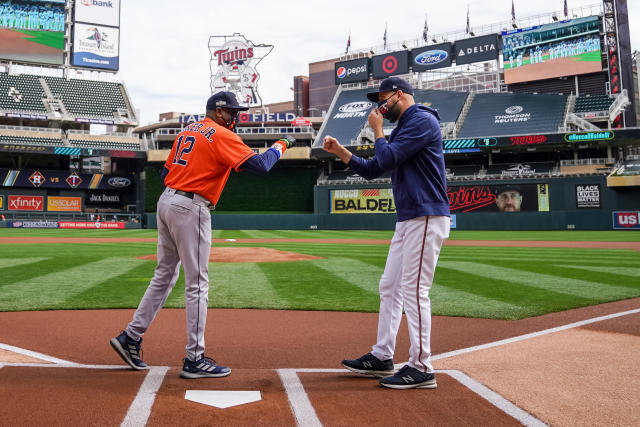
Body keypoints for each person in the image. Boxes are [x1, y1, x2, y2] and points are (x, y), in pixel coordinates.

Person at [110, 91, 294, 378]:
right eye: (232, 112)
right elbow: (261, 165)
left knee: (164, 275)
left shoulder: (188, 130)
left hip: (167, 200)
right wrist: (282, 144)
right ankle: (195, 358)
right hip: (190, 206)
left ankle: (130, 337)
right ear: (219, 112)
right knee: (197, 283)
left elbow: (165, 173)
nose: (235, 117)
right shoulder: (220, 133)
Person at [322, 77, 450, 389]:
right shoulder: (404, 126)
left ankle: (422, 367)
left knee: (414, 290)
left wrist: (377, 130)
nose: (379, 104)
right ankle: (382, 356)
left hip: (426, 214)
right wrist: (342, 153)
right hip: (409, 217)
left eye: (383, 97)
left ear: (400, 95)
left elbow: (387, 157)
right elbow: (374, 168)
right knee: (389, 286)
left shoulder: (420, 120)